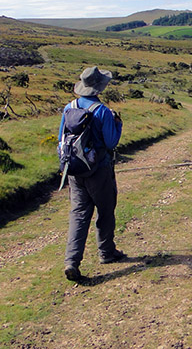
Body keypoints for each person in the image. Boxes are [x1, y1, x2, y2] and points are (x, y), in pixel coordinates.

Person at [59, 66, 126, 282]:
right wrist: (118, 124)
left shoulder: (69, 107)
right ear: (100, 87)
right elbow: (111, 142)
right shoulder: (103, 111)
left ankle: (71, 261)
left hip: (74, 170)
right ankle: (106, 252)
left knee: (78, 214)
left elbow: (61, 138)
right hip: (99, 170)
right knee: (105, 210)